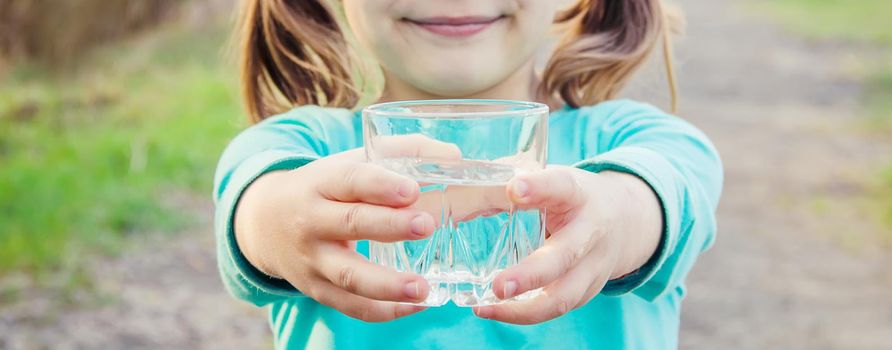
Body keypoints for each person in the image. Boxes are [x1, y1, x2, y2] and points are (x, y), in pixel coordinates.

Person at [213, 0, 722, 348]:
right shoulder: (302, 149)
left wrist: (617, 213)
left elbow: (666, 194)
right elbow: (254, 201)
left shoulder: (637, 140)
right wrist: (277, 220)